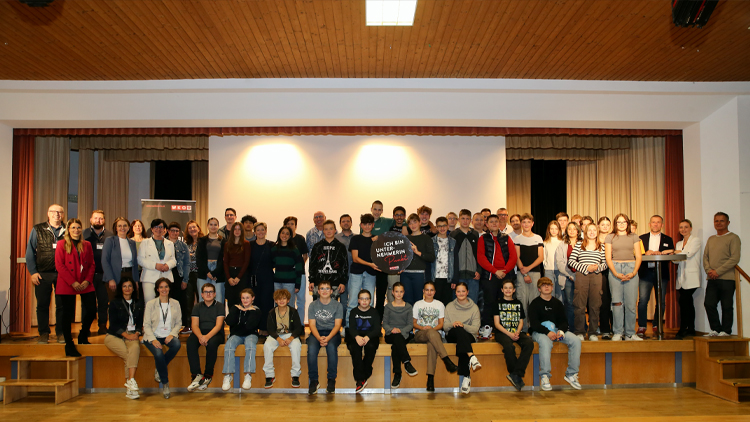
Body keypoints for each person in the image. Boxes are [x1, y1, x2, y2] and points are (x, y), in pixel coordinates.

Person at [529, 277, 582, 391]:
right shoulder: (534, 303)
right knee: (545, 342)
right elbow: (534, 324)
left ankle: (571, 374)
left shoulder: (557, 303)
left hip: (556, 330)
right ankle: (545, 376)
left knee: (576, 340)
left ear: (552, 288)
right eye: (543, 285)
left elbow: (563, 321)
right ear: (539, 289)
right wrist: (547, 332)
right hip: (540, 332)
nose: (546, 287)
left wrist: (561, 331)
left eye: (548, 285)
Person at [54, 218, 97, 356]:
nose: (76, 230)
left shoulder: (87, 244)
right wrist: (72, 282)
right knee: (67, 314)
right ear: (68, 229)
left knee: (92, 310)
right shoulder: (61, 244)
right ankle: (69, 344)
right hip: (68, 282)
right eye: (73, 227)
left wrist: (87, 281)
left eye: (78, 227)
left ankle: (83, 335)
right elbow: (59, 265)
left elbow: (92, 264)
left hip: (84, 282)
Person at [26, 204, 66, 344]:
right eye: (54, 211)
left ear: (63, 215)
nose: (57, 214)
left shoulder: (68, 230)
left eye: (60, 212)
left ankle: (61, 333)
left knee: (62, 305)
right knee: (42, 305)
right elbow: (30, 252)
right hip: (42, 274)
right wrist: (33, 272)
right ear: (48, 214)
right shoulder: (37, 229)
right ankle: (43, 333)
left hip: (63, 275)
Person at [477, 214, 518, 338]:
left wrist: (504, 271)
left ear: (499, 223)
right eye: (491, 222)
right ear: (487, 224)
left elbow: (513, 257)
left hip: (505, 275)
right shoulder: (483, 238)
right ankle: (488, 327)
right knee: (489, 302)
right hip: (490, 276)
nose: (494, 223)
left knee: (504, 302)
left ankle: (504, 328)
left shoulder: (507, 238)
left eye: (496, 221)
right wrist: (495, 271)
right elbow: (481, 258)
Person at [413, 281, 458, 392]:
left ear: (435, 292)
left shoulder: (440, 304)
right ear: (423, 291)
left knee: (431, 343)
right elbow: (413, 323)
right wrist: (423, 328)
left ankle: (430, 379)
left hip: (435, 334)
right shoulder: (418, 304)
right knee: (430, 334)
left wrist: (431, 330)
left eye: (431, 290)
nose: (429, 292)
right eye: (427, 290)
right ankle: (446, 360)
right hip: (420, 333)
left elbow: (441, 324)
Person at [104, 278, 145, 399]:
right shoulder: (114, 303)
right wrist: (127, 335)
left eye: (130, 286)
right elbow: (113, 325)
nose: (127, 289)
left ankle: (130, 385)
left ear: (134, 288)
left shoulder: (138, 303)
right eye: (124, 286)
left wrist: (137, 333)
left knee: (135, 348)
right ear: (120, 288)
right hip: (114, 335)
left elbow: (140, 323)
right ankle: (131, 384)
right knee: (130, 355)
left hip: (132, 334)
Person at [605, 213, 643, 341]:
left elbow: (639, 256)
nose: (621, 224)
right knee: (617, 303)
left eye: (624, 222)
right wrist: (616, 273)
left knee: (631, 304)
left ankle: (630, 333)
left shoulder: (634, 236)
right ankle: (618, 332)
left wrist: (633, 272)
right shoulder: (610, 237)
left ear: (628, 223)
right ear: (615, 224)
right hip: (615, 269)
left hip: (631, 269)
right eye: (619, 222)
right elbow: (608, 257)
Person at [142, 278, 182, 399]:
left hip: (168, 335)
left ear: (169, 288)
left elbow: (178, 323)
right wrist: (153, 339)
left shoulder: (175, 303)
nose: (164, 289)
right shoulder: (151, 304)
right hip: (153, 336)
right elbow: (146, 325)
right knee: (158, 353)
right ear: (157, 289)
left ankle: (159, 368)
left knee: (177, 344)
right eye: (161, 287)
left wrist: (172, 334)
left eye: (166, 286)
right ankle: (165, 384)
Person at [703, 212, 742, 336]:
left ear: (728, 222)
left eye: (722, 221)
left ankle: (726, 331)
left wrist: (718, 271)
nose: (718, 223)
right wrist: (709, 270)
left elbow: (734, 258)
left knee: (726, 306)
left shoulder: (733, 238)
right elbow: (705, 257)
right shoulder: (711, 239)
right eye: (716, 221)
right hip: (712, 278)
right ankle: (716, 329)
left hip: (728, 278)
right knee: (709, 303)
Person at [637, 215, 675, 338]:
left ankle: (657, 324)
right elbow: (636, 254)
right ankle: (642, 326)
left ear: (662, 225)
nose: (655, 224)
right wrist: (645, 253)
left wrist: (662, 253)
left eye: (658, 222)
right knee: (643, 301)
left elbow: (672, 252)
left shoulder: (668, 239)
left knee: (661, 301)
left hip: (661, 273)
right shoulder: (641, 238)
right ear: (649, 224)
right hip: (645, 273)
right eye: (653, 222)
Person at [568, 223, 607, 341]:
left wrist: (597, 268)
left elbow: (606, 263)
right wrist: (586, 268)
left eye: (594, 230)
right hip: (582, 276)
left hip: (596, 277)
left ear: (597, 232)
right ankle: (579, 331)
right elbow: (571, 261)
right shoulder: (579, 245)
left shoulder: (601, 246)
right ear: (585, 232)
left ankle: (593, 332)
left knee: (595, 305)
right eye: (589, 230)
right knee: (579, 305)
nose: (592, 232)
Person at [493, 279, 533, 392]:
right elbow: (497, 324)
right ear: (502, 290)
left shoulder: (518, 303)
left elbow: (521, 321)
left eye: (510, 288)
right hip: (502, 333)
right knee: (509, 347)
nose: (508, 290)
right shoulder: (497, 303)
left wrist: (517, 332)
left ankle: (516, 373)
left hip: (516, 332)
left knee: (529, 343)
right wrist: (510, 334)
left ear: (514, 290)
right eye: (505, 288)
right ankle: (515, 374)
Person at [101, 217, 139, 331]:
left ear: (128, 228)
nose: (122, 228)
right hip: (114, 276)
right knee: (115, 303)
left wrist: (136, 280)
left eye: (125, 225)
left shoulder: (132, 243)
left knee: (129, 302)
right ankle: (114, 329)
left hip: (129, 275)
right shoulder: (110, 241)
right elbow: (105, 260)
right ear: (116, 228)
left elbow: (135, 263)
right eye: (119, 226)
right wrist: (110, 278)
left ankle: (128, 327)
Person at [307, 280, 344, 395]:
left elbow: (337, 325)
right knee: (311, 349)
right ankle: (314, 380)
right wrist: (319, 338)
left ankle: (331, 379)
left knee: (331, 348)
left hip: (332, 333)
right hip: (316, 333)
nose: (324, 291)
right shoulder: (313, 305)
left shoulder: (338, 305)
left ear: (331, 291)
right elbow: (312, 325)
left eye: (327, 288)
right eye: (322, 288)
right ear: (318, 291)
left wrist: (327, 338)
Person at [444, 282, 481, 394]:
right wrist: (453, 324)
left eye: (463, 291)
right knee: (459, 331)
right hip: (452, 334)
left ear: (467, 292)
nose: (461, 293)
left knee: (462, 337)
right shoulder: (449, 306)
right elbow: (445, 327)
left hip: (469, 335)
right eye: (458, 291)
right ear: (455, 293)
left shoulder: (474, 307)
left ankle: (467, 376)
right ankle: (471, 357)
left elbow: (475, 329)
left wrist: (463, 325)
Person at [187, 283, 225, 392]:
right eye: (206, 292)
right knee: (190, 342)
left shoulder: (219, 306)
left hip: (215, 333)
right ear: (202, 294)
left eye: (211, 292)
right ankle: (196, 375)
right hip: (200, 332)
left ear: (215, 294)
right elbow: (194, 325)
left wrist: (207, 337)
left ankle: (208, 375)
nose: (208, 294)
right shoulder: (197, 306)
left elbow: (218, 326)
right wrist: (200, 337)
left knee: (212, 344)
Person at [222, 288, 261, 391]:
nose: (245, 300)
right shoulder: (235, 308)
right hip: (236, 334)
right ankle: (227, 375)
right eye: (243, 298)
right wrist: (237, 311)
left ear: (253, 298)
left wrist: (248, 312)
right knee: (229, 345)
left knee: (250, 345)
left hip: (251, 334)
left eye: (247, 298)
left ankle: (248, 375)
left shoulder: (256, 310)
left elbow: (250, 326)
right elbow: (229, 321)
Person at [263, 288, 303, 389]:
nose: (281, 301)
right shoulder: (272, 312)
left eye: (284, 298)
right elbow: (270, 329)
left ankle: (295, 375)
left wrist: (291, 338)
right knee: (267, 346)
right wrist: (278, 339)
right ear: (275, 300)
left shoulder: (293, 311)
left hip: (290, 335)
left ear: (288, 300)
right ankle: (269, 376)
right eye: (279, 299)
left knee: (296, 346)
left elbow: (298, 328)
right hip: (276, 336)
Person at [83, 210, 115, 335]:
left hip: (104, 275)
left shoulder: (110, 235)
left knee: (103, 302)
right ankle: (85, 327)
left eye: (101, 218)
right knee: (87, 304)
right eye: (96, 218)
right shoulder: (84, 234)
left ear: (104, 220)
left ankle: (102, 326)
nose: (98, 220)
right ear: (91, 220)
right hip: (88, 275)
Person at [347, 214, 380, 326]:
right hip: (356, 273)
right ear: (361, 225)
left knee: (369, 302)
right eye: (365, 224)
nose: (367, 226)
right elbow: (355, 258)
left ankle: (368, 328)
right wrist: (370, 264)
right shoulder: (355, 239)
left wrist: (379, 240)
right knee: (352, 302)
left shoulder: (377, 239)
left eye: (369, 224)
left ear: (373, 225)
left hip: (371, 274)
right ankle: (348, 327)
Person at [383, 282, 418, 388]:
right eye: (396, 291)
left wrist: (401, 331)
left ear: (404, 292)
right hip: (390, 334)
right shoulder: (388, 307)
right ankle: (406, 362)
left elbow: (410, 324)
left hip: (404, 334)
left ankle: (397, 374)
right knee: (397, 339)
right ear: (392, 293)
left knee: (396, 345)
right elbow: (385, 324)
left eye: (401, 291)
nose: (399, 294)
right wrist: (392, 329)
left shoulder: (408, 307)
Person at [347, 289, 381, 393]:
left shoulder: (374, 312)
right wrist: (356, 336)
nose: (364, 301)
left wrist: (367, 337)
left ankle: (362, 376)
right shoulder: (353, 312)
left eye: (367, 299)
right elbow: (351, 328)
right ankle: (360, 379)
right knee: (355, 348)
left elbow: (377, 329)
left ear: (370, 300)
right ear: (358, 300)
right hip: (356, 336)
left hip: (370, 336)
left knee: (371, 347)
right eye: (362, 299)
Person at [514, 213, 544, 327]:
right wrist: (525, 273)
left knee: (534, 301)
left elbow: (541, 257)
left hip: (535, 273)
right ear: (521, 224)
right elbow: (517, 257)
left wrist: (528, 269)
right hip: (521, 274)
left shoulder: (538, 238)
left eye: (528, 222)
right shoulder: (517, 239)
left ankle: (533, 327)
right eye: (524, 222)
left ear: (532, 223)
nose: (526, 224)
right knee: (522, 301)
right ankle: (523, 328)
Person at [308, 219, 349, 302]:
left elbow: (344, 265)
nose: (328, 231)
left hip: (335, 283)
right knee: (317, 307)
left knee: (333, 307)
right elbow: (312, 264)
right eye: (326, 229)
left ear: (335, 230)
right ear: (323, 231)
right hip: (318, 283)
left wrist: (342, 282)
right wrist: (311, 280)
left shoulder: (341, 247)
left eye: (331, 228)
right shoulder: (317, 246)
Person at [138, 219, 177, 303]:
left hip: (166, 276)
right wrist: (155, 265)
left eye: (161, 227)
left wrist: (168, 265)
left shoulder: (170, 243)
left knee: (165, 302)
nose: (158, 229)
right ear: (152, 229)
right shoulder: (145, 242)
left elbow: (173, 260)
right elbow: (140, 260)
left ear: (164, 229)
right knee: (150, 303)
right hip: (149, 278)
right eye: (156, 227)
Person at [674, 219, 701, 339]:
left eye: (686, 227)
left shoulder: (695, 240)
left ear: (691, 228)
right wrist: (677, 253)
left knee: (684, 302)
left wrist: (678, 253)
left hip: (691, 277)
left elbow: (688, 254)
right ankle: (691, 329)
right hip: (681, 278)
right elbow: (675, 260)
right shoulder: (678, 243)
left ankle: (682, 329)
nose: (683, 229)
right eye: (681, 227)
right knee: (687, 303)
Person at [402, 213, 436, 305]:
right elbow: (401, 257)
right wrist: (399, 267)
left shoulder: (426, 238)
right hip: (405, 274)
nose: (413, 225)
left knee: (419, 301)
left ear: (420, 222)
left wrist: (418, 252)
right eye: (410, 223)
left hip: (419, 274)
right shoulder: (405, 239)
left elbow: (431, 257)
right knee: (407, 301)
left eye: (415, 222)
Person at [370, 201, 395, 318]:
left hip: (383, 264)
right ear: (371, 209)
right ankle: (369, 318)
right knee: (369, 293)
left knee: (381, 294)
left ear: (382, 211)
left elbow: (402, 220)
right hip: (370, 263)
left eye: (379, 209)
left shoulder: (387, 221)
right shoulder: (366, 222)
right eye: (375, 209)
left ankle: (379, 319)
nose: (377, 212)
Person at [451, 209, 481, 304]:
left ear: (470, 220)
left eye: (467, 219)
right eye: (463, 218)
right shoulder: (453, 235)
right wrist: (454, 277)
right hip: (458, 276)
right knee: (457, 303)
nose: (465, 221)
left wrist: (479, 270)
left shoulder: (475, 234)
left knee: (473, 303)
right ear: (459, 220)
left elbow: (479, 254)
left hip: (473, 276)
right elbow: (451, 257)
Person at [555, 222, 581, 331]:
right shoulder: (562, 245)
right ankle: (570, 327)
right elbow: (560, 263)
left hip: (581, 276)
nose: (572, 231)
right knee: (569, 303)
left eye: (574, 229)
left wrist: (580, 274)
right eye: (569, 229)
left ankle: (581, 327)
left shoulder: (583, 243)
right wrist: (569, 275)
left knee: (581, 304)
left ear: (578, 231)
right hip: (567, 277)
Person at [251, 222, 275, 335]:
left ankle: (265, 328)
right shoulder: (250, 245)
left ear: (266, 231)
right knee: (254, 302)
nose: (260, 232)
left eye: (262, 229)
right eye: (258, 230)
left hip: (268, 277)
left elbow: (275, 261)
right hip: (253, 278)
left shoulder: (272, 245)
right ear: (254, 232)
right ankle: (254, 327)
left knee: (267, 303)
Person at [284, 216, 310, 320]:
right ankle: (290, 323)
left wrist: (299, 265)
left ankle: (301, 323)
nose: (290, 226)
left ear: (295, 226)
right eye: (288, 224)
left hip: (300, 273)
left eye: (292, 224)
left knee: (301, 300)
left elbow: (305, 255)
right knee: (289, 300)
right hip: (287, 274)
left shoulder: (300, 239)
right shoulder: (283, 240)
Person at [271, 226, 304, 306]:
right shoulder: (274, 249)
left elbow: (299, 268)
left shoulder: (294, 250)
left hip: (290, 282)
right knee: (277, 305)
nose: (284, 235)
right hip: (277, 282)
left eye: (287, 234)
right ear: (279, 234)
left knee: (289, 305)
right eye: (283, 233)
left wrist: (298, 284)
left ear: (290, 236)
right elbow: (270, 264)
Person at [196, 217, 226, 305]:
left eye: (215, 225)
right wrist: (207, 272)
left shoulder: (223, 241)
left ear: (218, 226)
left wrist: (215, 273)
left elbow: (224, 259)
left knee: (219, 298)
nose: (213, 227)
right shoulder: (202, 240)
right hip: (204, 271)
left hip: (218, 271)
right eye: (211, 224)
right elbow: (199, 258)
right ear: (207, 226)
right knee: (203, 299)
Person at [167, 222, 190, 332]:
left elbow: (187, 264)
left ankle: (183, 325)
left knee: (181, 302)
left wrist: (185, 279)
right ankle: (168, 325)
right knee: (167, 301)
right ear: (168, 231)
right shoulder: (163, 244)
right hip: (166, 275)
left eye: (177, 231)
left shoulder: (183, 246)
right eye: (172, 230)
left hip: (179, 275)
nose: (174, 233)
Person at [224, 222, 251, 309]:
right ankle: (231, 318)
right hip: (230, 273)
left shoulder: (246, 244)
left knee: (242, 300)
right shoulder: (227, 244)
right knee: (231, 300)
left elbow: (246, 261)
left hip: (241, 275)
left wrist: (238, 277)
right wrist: (229, 278)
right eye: (235, 229)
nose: (237, 231)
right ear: (232, 231)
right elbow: (225, 262)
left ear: (242, 231)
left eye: (239, 229)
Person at [183, 220, 203, 333]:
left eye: (194, 227)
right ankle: (188, 325)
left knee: (201, 300)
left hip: (200, 274)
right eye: (190, 228)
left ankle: (201, 324)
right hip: (189, 275)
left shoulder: (203, 242)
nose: (192, 229)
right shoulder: (185, 244)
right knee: (188, 301)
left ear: (198, 228)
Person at [432, 216, 456, 307]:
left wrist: (454, 279)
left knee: (447, 304)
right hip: (435, 277)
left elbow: (456, 261)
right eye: (439, 226)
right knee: (435, 304)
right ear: (436, 227)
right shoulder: (431, 241)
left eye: (444, 225)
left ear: (448, 226)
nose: (442, 228)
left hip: (448, 278)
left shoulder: (453, 242)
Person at [334, 214, 354, 314]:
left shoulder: (356, 238)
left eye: (348, 221)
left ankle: (351, 322)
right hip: (340, 274)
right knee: (342, 301)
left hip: (354, 273)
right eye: (343, 221)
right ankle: (342, 322)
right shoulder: (335, 238)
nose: (346, 223)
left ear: (351, 223)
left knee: (353, 300)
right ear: (340, 224)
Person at [597, 217, 613, 339]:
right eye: (603, 224)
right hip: (600, 272)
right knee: (604, 301)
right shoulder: (595, 239)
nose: (605, 227)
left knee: (615, 300)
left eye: (607, 224)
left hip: (613, 271)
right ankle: (605, 328)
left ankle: (616, 328)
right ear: (598, 226)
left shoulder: (614, 238)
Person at [543, 220, 563, 295]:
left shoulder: (562, 242)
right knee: (549, 292)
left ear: (559, 230)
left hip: (559, 270)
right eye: (552, 229)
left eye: (556, 229)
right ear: (549, 230)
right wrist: (545, 265)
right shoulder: (545, 242)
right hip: (549, 270)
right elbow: (544, 256)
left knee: (559, 293)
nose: (554, 231)